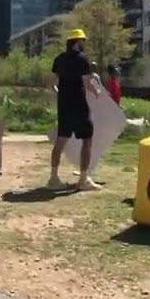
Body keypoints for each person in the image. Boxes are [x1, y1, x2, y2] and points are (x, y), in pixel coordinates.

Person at [48, 28, 103, 191]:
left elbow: (52, 85)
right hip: (79, 105)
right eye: (83, 41)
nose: (84, 43)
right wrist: (97, 91)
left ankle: (53, 178)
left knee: (60, 140)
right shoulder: (82, 59)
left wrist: (61, 94)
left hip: (63, 105)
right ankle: (83, 180)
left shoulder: (59, 59)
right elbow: (87, 83)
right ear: (78, 41)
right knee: (87, 139)